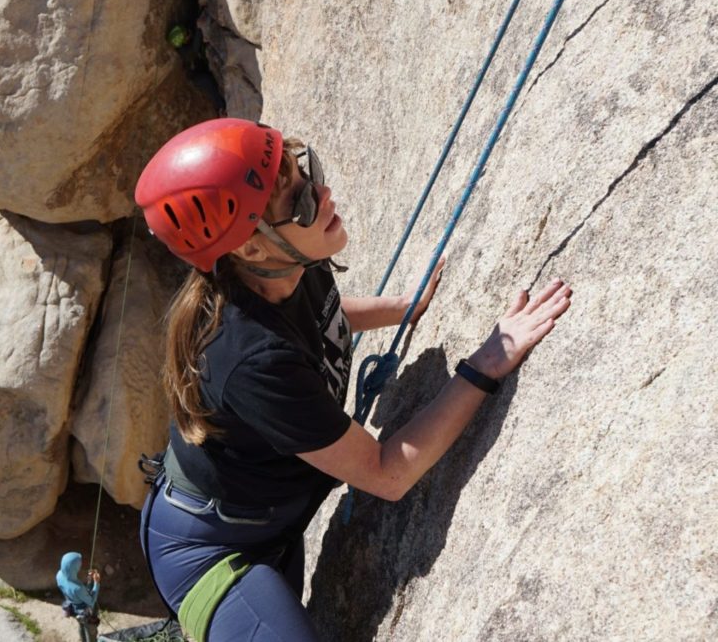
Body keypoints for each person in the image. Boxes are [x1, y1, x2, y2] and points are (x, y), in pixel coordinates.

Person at [133, 118, 571, 642]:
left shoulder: (292, 262)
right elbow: (387, 474)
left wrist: (405, 310)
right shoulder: (251, 358)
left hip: (267, 521)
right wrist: (486, 365)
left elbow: (327, 313)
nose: (324, 194)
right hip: (214, 554)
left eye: (307, 172)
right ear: (250, 248)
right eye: (298, 201)